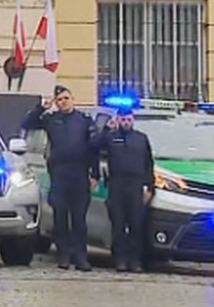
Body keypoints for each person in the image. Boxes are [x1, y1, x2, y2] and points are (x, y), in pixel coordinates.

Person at [21, 85, 99, 271]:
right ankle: (64, 256)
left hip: (79, 174)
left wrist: (94, 174)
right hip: (59, 174)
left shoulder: (84, 121)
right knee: (60, 218)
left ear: (72, 99)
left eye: (66, 98)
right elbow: (28, 123)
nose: (63, 102)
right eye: (60, 100)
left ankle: (80, 257)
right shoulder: (51, 119)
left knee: (79, 219)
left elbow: (94, 148)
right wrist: (42, 108)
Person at [91, 109, 154, 272]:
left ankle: (135, 261)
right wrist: (106, 129)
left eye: (128, 119)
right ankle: (119, 260)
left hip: (136, 185)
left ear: (133, 120)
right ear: (118, 120)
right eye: (123, 120)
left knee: (135, 225)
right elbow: (93, 146)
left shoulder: (141, 138)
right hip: (116, 184)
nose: (126, 122)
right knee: (118, 225)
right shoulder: (111, 137)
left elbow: (149, 164)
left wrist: (149, 187)